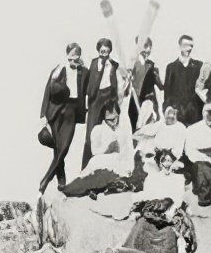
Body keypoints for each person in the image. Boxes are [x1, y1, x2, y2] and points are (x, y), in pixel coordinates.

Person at [123, 148, 194, 253]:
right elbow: (149, 197)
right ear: (159, 163)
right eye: (164, 161)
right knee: (142, 224)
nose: (167, 164)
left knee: (172, 230)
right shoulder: (152, 178)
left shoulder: (178, 179)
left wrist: (168, 207)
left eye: (169, 161)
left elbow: (178, 199)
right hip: (155, 209)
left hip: (171, 210)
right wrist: (156, 207)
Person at [38, 43, 88, 194]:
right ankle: (61, 181)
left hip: (72, 111)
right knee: (57, 148)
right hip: (56, 111)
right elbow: (47, 91)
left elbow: (94, 85)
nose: (73, 62)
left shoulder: (84, 72)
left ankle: (45, 181)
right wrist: (43, 115)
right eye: (71, 59)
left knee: (64, 148)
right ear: (67, 56)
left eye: (76, 59)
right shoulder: (59, 70)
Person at [83, 37, 121, 167]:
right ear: (98, 51)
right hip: (96, 99)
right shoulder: (94, 63)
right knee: (91, 133)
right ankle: (86, 167)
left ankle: (107, 166)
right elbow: (90, 83)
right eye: (102, 51)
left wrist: (114, 100)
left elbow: (116, 82)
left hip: (109, 97)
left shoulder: (114, 65)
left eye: (106, 52)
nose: (104, 54)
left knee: (110, 131)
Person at [163, 35, 203, 126]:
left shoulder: (199, 66)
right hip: (177, 116)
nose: (189, 48)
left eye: (191, 46)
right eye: (186, 45)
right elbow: (167, 94)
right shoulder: (171, 67)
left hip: (195, 116)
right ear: (179, 46)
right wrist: (169, 111)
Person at [129, 37, 163, 130]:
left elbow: (160, 86)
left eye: (149, 48)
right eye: (144, 47)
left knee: (145, 120)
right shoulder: (133, 64)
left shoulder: (152, 65)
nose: (147, 51)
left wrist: (160, 110)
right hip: (135, 98)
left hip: (148, 98)